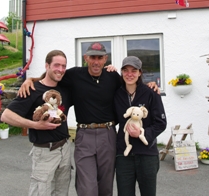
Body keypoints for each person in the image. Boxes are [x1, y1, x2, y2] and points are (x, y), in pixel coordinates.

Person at [19, 42, 160, 196]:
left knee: (106, 186)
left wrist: (150, 85)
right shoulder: (74, 75)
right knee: (87, 188)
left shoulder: (113, 77)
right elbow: (52, 77)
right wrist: (30, 80)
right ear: (85, 58)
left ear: (105, 59)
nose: (96, 61)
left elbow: (131, 82)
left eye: (100, 58)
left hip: (108, 134)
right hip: (84, 135)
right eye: (92, 57)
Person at [1, 50, 72, 196]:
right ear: (47, 65)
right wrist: (35, 125)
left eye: (63, 66)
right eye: (56, 65)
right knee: (40, 192)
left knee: (62, 192)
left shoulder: (65, 88)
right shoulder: (32, 89)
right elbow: (6, 116)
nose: (60, 69)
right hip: (45, 151)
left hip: (64, 149)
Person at [114, 56, 167, 196]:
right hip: (123, 155)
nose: (129, 74)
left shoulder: (151, 93)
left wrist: (143, 134)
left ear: (140, 73)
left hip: (147, 154)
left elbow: (161, 123)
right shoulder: (116, 94)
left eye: (134, 70)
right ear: (121, 72)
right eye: (125, 70)